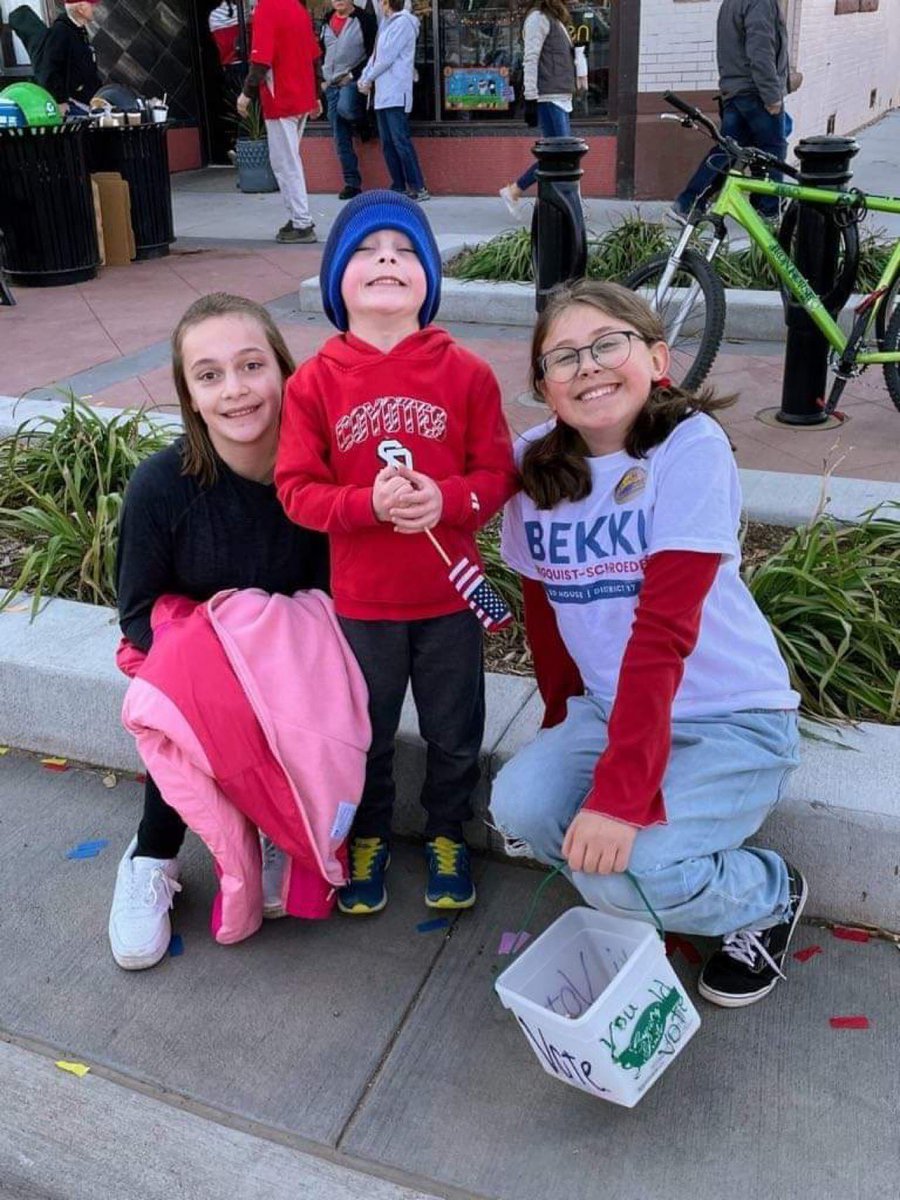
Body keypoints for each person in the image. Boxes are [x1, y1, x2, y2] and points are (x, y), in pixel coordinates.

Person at [491, 279, 807, 1010]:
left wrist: (621, 798)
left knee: (616, 873)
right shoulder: (536, 463)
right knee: (522, 805)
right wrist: (559, 728)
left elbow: (662, 631)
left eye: (609, 344)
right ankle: (652, 886)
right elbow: (544, 611)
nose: (589, 366)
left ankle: (764, 894)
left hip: (734, 720)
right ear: (543, 386)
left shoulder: (688, 447)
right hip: (613, 710)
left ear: (658, 357)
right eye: (562, 357)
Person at [275, 190, 518, 915]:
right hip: (363, 605)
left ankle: (449, 832)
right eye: (368, 249)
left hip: (449, 602)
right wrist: (364, 506)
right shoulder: (314, 383)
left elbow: (497, 473)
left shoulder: (466, 374)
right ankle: (371, 834)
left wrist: (448, 499)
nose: (388, 257)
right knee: (367, 736)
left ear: (429, 281)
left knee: (454, 732)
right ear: (336, 283)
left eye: (407, 250)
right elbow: (295, 489)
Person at [108, 292, 330, 970]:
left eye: (250, 365)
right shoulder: (161, 487)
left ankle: (270, 823)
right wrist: (225, 655)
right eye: (209, 375)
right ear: (191, 397)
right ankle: (151, 855)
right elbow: (137, 613)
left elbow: (337, 593)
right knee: (190, 688)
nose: (234, 391)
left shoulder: (319, 476)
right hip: (194, 665)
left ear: (284, 372)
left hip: (295, 665)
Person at [671, 0, 799, 221]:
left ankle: (688, 203)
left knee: (728, 149)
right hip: (755, 92)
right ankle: (769, 210)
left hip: (735, 91)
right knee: (773, 150)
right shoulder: (759, 3)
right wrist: (771, 96)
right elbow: (761, 51)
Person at [237, 0, 322, 243]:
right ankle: (298, 216)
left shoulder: (267, 8)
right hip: (302, 95)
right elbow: (314, 56)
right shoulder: (298, 7)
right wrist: (317, 94)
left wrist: (246, 94)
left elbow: (261, 59)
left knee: (285, 164)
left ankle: (302, 222)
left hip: (281, 97)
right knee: (290, 160)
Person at [498, 0, 587, 222]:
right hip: (549, 97)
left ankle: (517, 191)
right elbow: (530, 59)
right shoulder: (537, 18)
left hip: (560, 96)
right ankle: (569, 206)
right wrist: (530, 98)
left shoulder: (553, 18)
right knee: (561, 158)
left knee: (561, 157)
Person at [358, 0, 429, 203]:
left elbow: (386, 57)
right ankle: (398, 185)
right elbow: (376, 55)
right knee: (388, 143)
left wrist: (368, 78)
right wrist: (365, 76)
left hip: (397, 91)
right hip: (382, 93)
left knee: (400, 141)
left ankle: (418, 185)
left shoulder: (404, 23)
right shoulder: (386, 23)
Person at [320, 0, 378, 200]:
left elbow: (373, 54)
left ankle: (364, 123)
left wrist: (353, 74)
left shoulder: (364, 20)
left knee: (347, 109)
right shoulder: (327, 20)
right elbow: (321, 51)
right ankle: (352, 183)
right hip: (331, 84)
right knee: (340, 137)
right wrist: (322, 79)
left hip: (353, 81)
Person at [35, 1, 102, 114]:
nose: (95, 8)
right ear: (80, 8)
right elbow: (49, 68)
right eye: (91, 4)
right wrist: (60, 100)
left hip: (89, 100)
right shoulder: (60, 32)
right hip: (73, 104)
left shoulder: (79, 29)